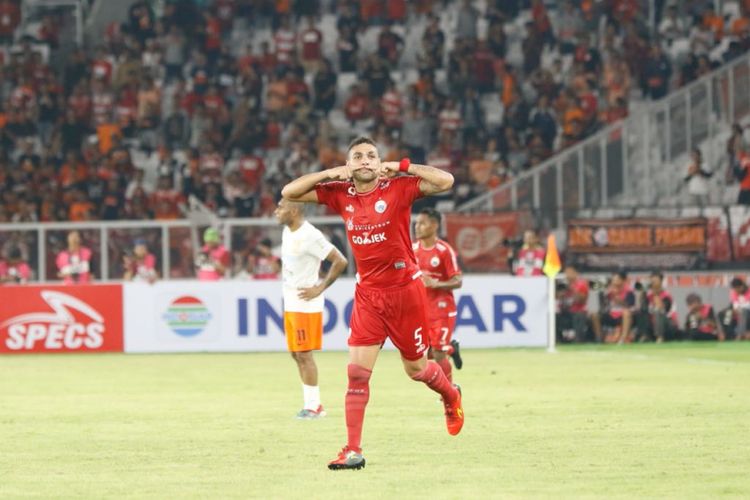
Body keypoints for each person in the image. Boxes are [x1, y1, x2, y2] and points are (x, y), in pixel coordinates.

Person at [281, 136, 463, 471]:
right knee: (356, 374)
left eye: (372, 156)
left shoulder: (398, 187)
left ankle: (451, 396)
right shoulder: (341, 193)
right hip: (368, 296)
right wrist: (334, 172)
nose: (365, 161)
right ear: (349, 164)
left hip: (405, 292)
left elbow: (446, 181)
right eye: (358, 157)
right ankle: (353, 451)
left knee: (417, 370)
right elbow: (289, 193)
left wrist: (399, 166)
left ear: (380, 163)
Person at [274, 198, 348, 419]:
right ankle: (310, 403)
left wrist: (320, 287)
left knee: (304, 355)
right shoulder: (288, 231)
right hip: (291, 300)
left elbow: (340, 261)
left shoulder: (310, 235)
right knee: (296, 354)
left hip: (305, 304)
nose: (277, 211)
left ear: (294, 210)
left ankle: (314, 407)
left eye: (281, 207)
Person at [413, 207, 464, 379]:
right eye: (416, 223)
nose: (417, 227)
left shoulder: (444, 251)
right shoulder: (412, 250)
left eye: (422, 223)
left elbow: (458, 280)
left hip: (442, 308)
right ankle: (451, 348)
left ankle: (449, 393)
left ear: (434, 225)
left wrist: (437, 283)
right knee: (425, 355)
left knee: (438, 351)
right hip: (420, 310)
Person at [591, 271, 635, 344]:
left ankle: (623, 339)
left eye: (617, 279)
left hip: (622, 316)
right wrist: (605, 295)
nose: (614, 282)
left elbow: (630, 305)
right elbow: (602, 306)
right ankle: (599, 338)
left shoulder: (629, 291)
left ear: (623, 281)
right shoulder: (608, 290)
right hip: (610, 314)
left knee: (626, 313)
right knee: (594, 315)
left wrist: (620, 301)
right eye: (613, 280)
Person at [558, 264, 590, 343]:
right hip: (565, 310)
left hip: (579, 310)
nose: (567, 275)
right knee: (555, 316)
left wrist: (573, 289)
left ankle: (579, 340)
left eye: (569, 272)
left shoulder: (581, 284)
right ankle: (558, 339)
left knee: (578, 315)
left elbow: (581, 300)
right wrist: (561, 294)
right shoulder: (564, 284)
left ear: (575, 273)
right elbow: (557, 297)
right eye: (566, 273)